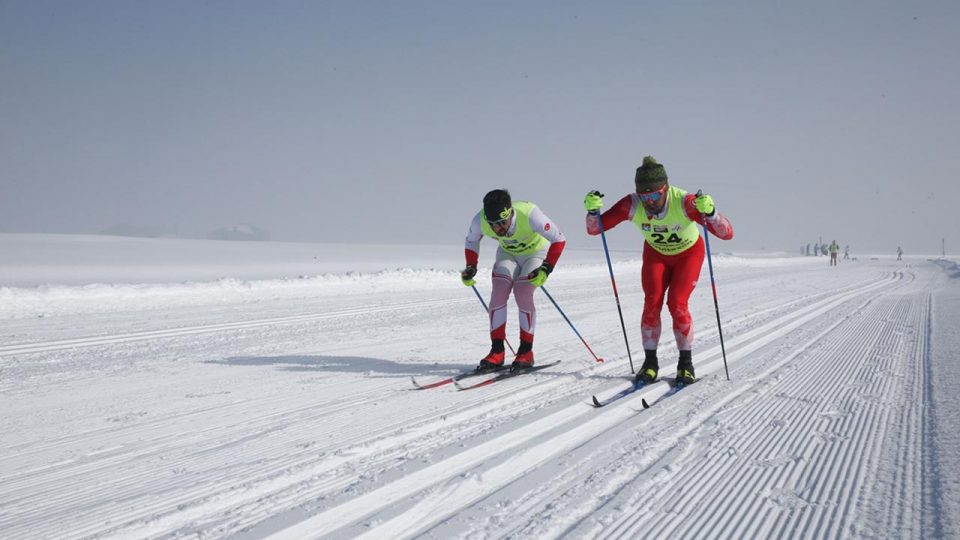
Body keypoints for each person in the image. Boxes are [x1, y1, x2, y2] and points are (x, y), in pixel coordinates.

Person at [583, 156, 734, 385]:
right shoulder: (631, 204)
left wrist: (711, 212)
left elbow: (726, 233)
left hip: (688, 255)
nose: (649, 202)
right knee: (652, 302)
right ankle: (650, 363)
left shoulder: (685, 202)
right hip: (657, 255)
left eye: (654, 195)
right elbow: (595, 230)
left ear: (666, 189)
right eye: (644, 196)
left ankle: (685, 364)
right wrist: (592, 212)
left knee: (677, 303)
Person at [461, 189, 566, 371]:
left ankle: (526, 351)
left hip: (535, 253)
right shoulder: (479, 220)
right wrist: (471, 266)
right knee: (499, 290)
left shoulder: (530, 214)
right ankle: (497, 351)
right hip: (508, 253)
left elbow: (559, 239)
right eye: (493, 224)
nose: (497, 229)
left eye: (502, 223)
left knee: (522, 291)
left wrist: (546, 268)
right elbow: (471, 241)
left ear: (510, 213)